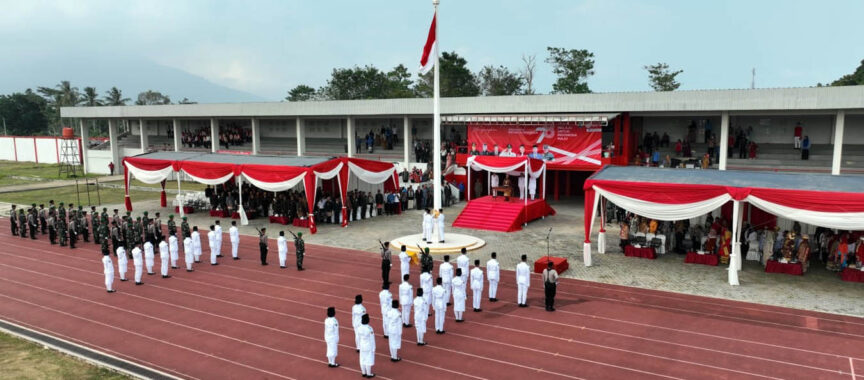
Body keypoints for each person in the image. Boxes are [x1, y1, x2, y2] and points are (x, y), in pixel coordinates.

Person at [357, 314, 376, 378]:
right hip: (368, 346)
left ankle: (363, 372)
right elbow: (372, 339)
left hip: (362, 345)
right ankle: (369, 374)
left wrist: (358, 346)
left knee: (362, 359)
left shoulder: (359, 328)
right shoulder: (369, 329)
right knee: (368, 359)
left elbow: (358, 338)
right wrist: (373, 348)